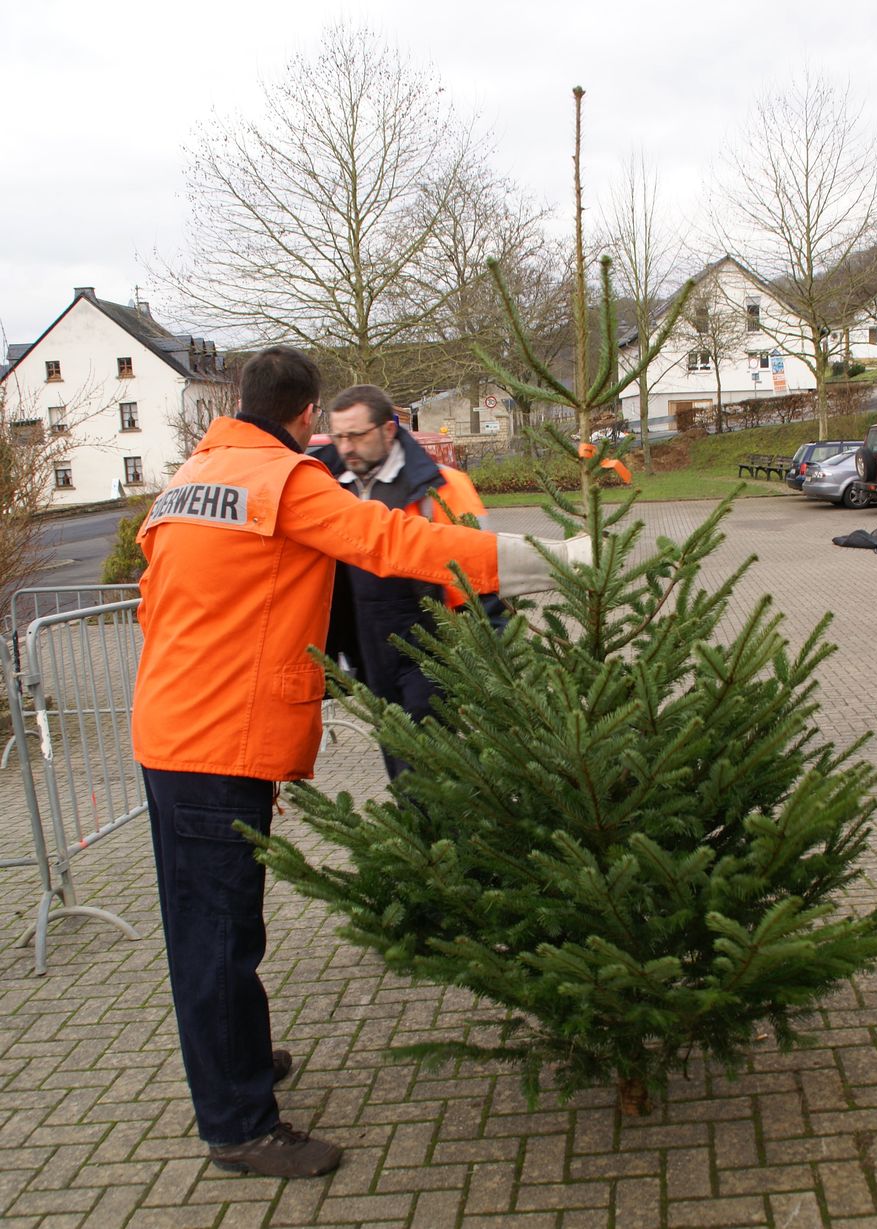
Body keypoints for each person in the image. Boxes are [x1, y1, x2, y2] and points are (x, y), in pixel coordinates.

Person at [131, 345, 584, 1179]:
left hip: (167, 726)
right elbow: (395, 542)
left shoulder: (187, 479)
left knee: (214, 921)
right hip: (217, 741)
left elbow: (151, 604)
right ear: (306, 414)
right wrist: (559, 563)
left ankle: (240, 1060)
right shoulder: (284, 481)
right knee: (216, 934)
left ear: (238, 402)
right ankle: (237, 1124)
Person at [310, 385, 505, 779]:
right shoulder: (327, 487)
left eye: (356, 435)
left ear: (388, 429)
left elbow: (479, 573)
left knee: (425, 770)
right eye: (338, 436)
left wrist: (490, 650)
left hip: (431, 650)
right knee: (399, 762)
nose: (346, 447)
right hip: (368, 655)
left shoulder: (441, 487)